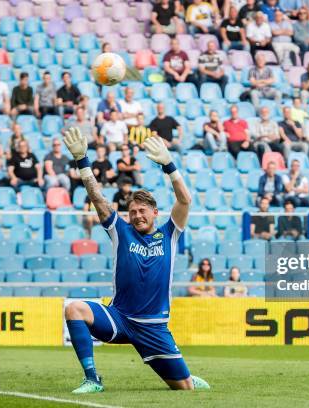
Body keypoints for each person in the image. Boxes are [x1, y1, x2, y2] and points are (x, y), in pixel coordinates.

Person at [62, 129, 209, 392]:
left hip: (154, 326)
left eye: (142, 211)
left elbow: (185, 200)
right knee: (74, 309)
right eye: (132, 212)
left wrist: (169, 165)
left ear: (155, 212)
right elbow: (98, 198)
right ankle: (92, 379)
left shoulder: (170, 233)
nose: (137, 216)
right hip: (119, 317)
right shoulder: (121, 231)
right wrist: (83, 161)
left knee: (184, 389)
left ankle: (185, 375)